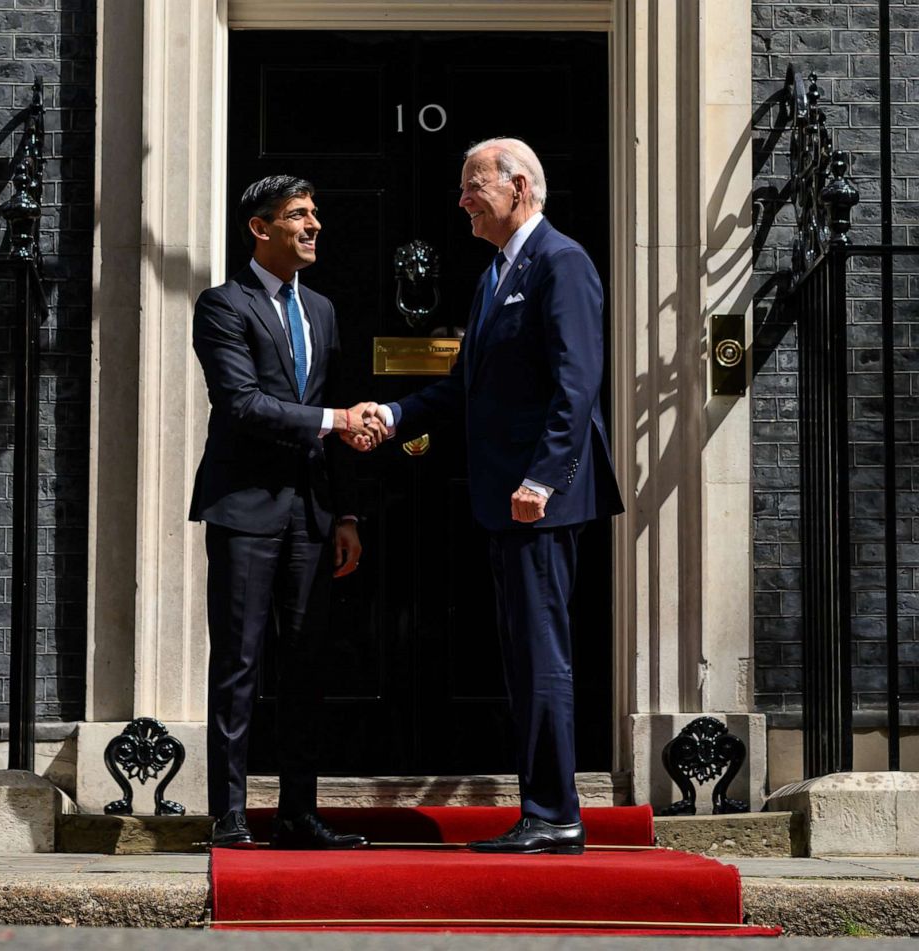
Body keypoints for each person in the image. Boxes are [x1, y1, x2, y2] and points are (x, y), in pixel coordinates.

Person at [365, 137, 623, 854]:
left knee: (542, 655)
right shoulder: (494, 276)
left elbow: (578, 382)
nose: (462, 199)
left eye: (473, 185)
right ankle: (545, 807)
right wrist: (393, 416)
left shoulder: (561, 262)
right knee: (524, 655)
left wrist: (543, 477)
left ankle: (555, 813)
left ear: (519, 187)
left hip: (540, 499)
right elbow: (464, 388)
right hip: (507, 499)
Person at [190, 175, 379, 849]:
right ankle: (231, 815)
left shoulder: (322, 310)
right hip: (244, 508)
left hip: (313, 514)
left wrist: (347, 513)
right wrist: (334, 419)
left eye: (315, 212)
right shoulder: (222, 305)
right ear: (259, 228)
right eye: (299, 214)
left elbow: (335, 401)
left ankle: (299, 812)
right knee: (239, 663)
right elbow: (241, 403)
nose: (314, 225)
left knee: (306, 664)